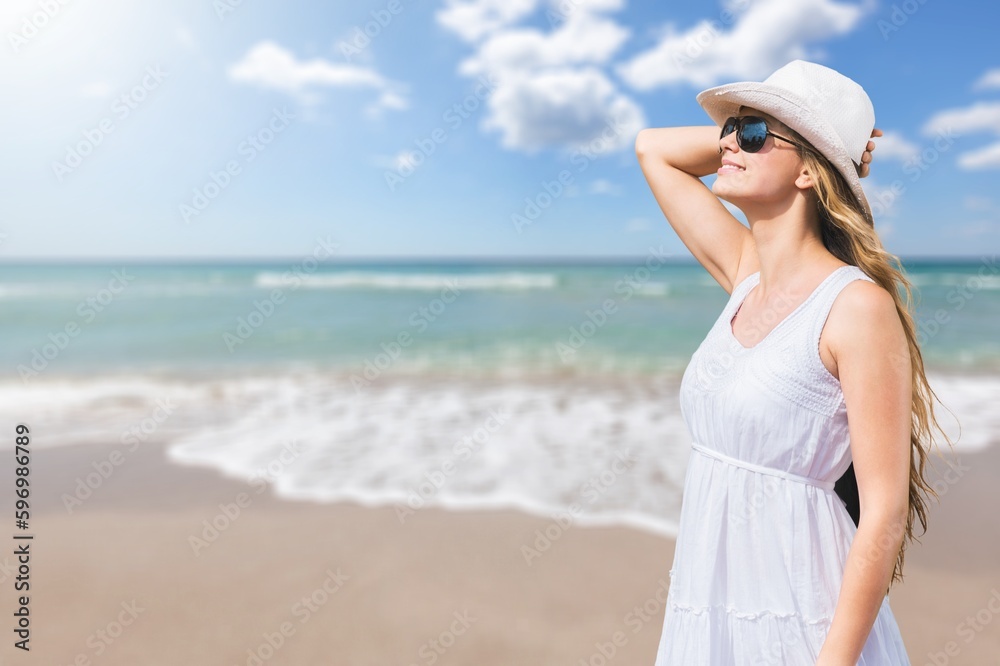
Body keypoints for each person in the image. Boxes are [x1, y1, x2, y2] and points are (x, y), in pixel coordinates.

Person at [634, 60, 952, 664]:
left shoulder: (855, 307)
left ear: (809, 171)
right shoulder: (745, 276)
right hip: (709, 606)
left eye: (751, 134)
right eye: (730, 129)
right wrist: (804, 139)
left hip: (802, 618)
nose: (728, 142)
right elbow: (652, 149)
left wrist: (826, 141)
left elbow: (882, 509)